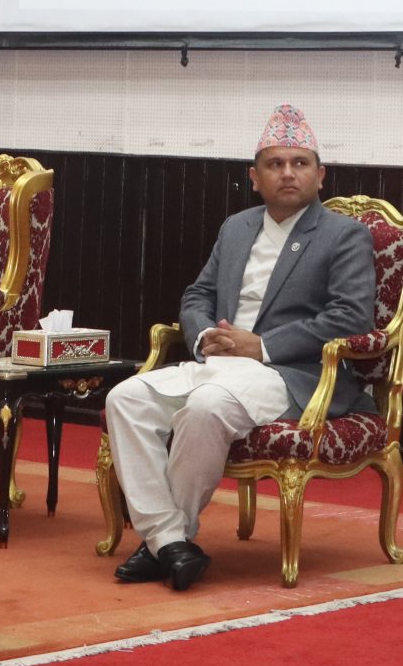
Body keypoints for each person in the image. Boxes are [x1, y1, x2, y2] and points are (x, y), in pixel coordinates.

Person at [102, 104, 378, 590]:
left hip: (289, 374)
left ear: (320, 175)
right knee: (124, 398)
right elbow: (198, 295)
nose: (287, 173)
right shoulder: (237, 228)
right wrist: (204, 335)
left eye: (300, 163)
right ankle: (170, 543)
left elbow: (350, 318)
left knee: (205, 408)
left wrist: (262, 346)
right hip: (220, 362)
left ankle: (162, 542)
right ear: (254, 178)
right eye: (275, 164)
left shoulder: (343, 235)